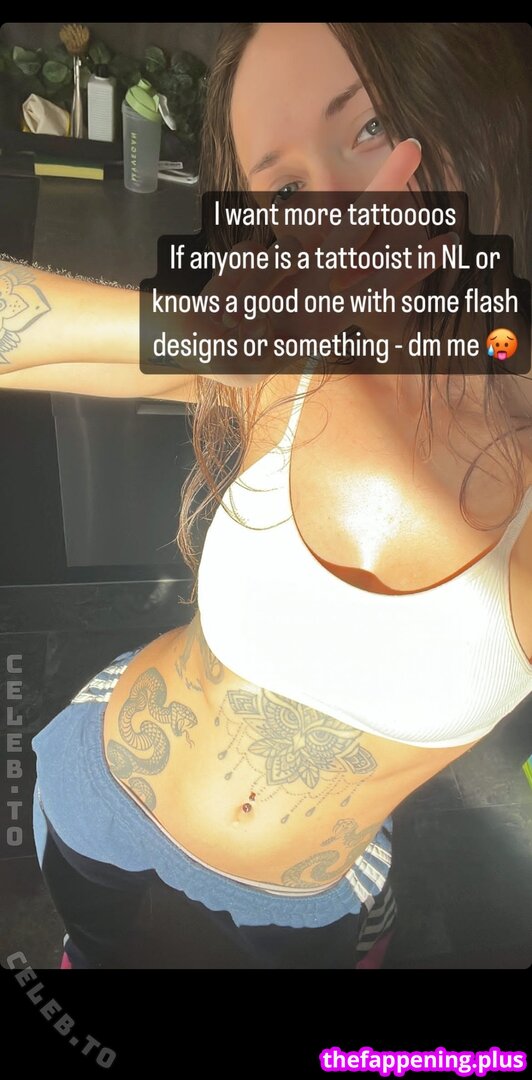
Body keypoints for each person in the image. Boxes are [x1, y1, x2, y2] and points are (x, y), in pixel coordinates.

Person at [2, 22, 530, 969]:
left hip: (304, 897)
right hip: (105, 786)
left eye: (368, 127)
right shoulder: (283, 358)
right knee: (90, 952)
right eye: (284, 191)